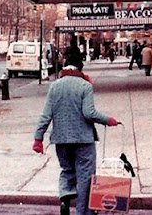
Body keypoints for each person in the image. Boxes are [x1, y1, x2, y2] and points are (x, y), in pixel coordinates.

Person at [32, 54, 120, 215]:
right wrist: (108, 120)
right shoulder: (85, 86)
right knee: (86, 177)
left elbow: (46, 115)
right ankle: (83, 212)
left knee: (67, 170)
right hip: (83, 140)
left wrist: (38, 138)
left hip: (61, 139)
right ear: (80, 68)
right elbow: (89, 113)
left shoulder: (55, 86)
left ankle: (65, 197)